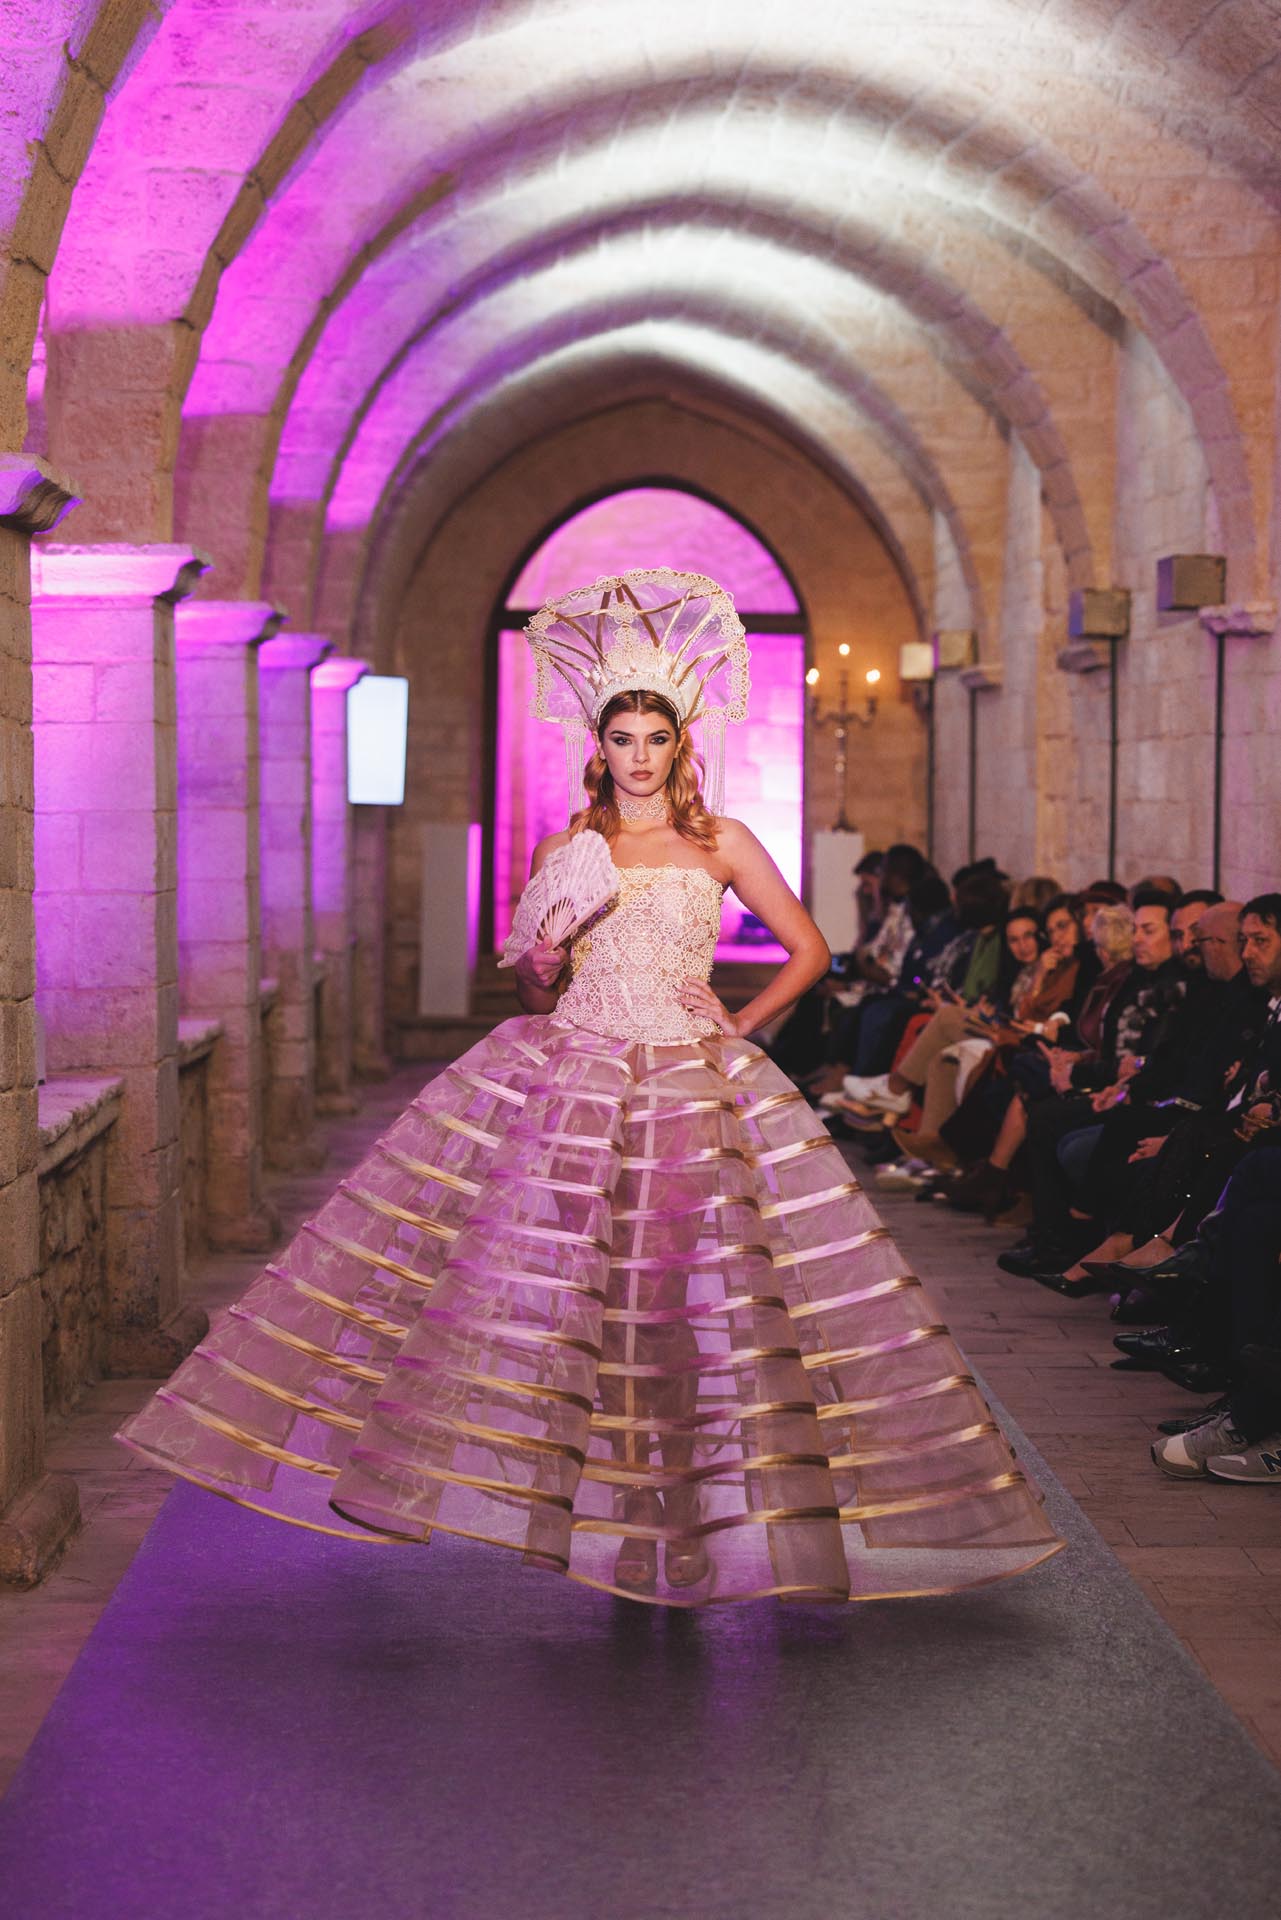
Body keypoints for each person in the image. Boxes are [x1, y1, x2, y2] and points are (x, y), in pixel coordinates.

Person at [116, 570, 1060, 1607]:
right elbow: (536, 984)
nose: (640, 756)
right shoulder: (570, 847)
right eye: (623, 739)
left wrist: (739, 1024)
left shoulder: (721, 841)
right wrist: (541, 960)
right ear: (598, 745)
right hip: (574, 1081)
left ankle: (676, 1518)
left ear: (680, 744)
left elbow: (810, 949)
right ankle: (599, 1509)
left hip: (687, 1085)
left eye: (656, 739)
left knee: (672, 1303)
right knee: (577, 1308)